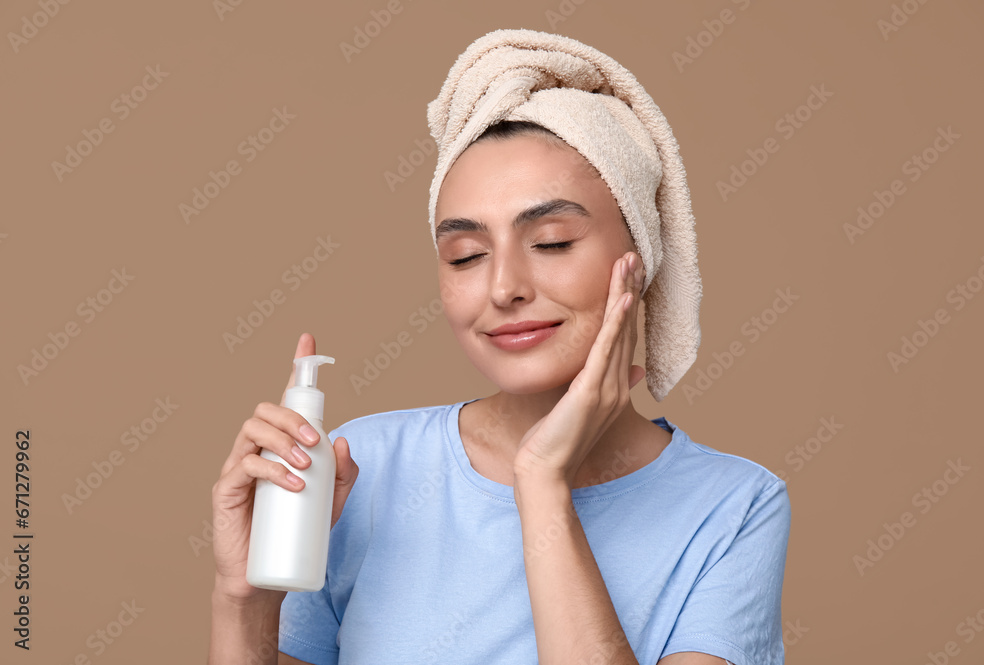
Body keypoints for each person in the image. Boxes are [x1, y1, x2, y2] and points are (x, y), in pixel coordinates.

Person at [208, 29, 790, 665]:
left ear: (640, 259)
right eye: (467, 255)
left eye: (552, 243)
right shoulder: (362, 467)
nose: (504, 287)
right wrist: (244, 600)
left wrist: (541, 483)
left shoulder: (733, 507)